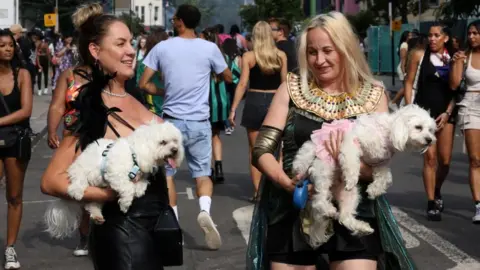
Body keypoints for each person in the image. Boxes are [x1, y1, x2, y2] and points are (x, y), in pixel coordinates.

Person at [246, 12, 415, 270]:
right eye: (312, 52)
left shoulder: (374, 94)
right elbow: (261, 149)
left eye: (328, 50)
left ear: (345, 48)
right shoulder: (291, 88)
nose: (319, 60)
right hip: (295, 209)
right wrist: (286, 183)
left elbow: (380, 165)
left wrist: (350, 164)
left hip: (353, 211)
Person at [41, 3, 174, 269]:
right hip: (122, 237)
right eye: (120, 44)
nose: (130, 51)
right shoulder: (92, 106)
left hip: (155, 228)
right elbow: (51, 181)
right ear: (95, 51)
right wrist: (107, 195)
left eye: (131, 43)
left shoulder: (135, 97)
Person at [139, 4, 232, 250]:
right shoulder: (209, 48)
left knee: (168, 175)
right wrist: (212, 76)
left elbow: (143, 82)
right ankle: (204, 210)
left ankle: (174, 225)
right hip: (200, 122)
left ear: (179, 21)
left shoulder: (162, 47)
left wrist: (163, 91)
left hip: (171, 122)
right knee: (202, 174)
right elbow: (228, 76)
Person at [404, 23, 457, 221]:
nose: (432, 39)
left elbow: (456, 90)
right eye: (430, 35)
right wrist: (411, 109)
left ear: (445, 38)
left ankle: (437, 188)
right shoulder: (420, 55)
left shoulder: (454, 58)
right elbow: (409, 82)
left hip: (445, 115)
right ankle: (431, 202)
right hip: (424, 115)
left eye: (437, 35)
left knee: (445, 161)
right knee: (430, 159)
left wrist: (448, 112)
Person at [0, 29, 33, 270]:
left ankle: (10, 248)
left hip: (15, 141)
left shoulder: (22, 74)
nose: (7, 49)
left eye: (10, 45)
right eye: (2, 45)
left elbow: (26, 111)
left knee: (14, 196)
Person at [450, 20, 480, 223]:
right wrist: (456, 63)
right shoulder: (464, 55)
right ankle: (478, 205)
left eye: (476, 33)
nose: (471, 37)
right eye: (470, 33)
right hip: (471, 107)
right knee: (475, 159)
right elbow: (453, 84)